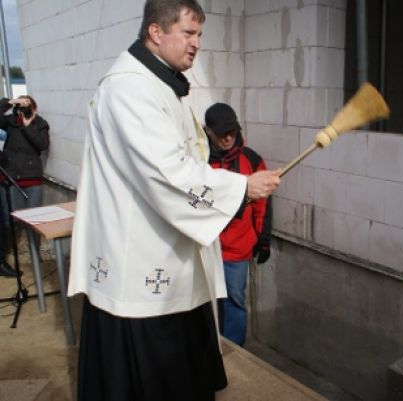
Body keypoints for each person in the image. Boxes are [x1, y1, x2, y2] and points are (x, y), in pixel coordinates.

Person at [66, 1, 280, 401]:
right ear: (155, 32)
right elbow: (165, 171)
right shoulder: (129, 88)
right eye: (188, 33)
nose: (197, 44)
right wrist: (241, 188)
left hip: (173, 251)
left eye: (200, 34)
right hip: (141, 261)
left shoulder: (162, 82)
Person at [204, 102, 272, 346]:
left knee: (234, 301)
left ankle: (235, 354)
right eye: (221, 133)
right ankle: (209, 349)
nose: (228, 138)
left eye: (232, 131)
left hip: (237, 251)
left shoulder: (252, 161)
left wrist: (263, 239)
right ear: (207, 131)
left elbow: (262, 204)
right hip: (204, 249)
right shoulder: (197, 164)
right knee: (205, 303)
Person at [0, 95, 49, 277]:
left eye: (27, 105)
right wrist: (9, 102)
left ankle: (36, 259)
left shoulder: (40, 123)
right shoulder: (10, 122)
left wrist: (28, 125)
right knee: (9, 222)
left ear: (34, 108)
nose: (23, 109)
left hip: (32, 180)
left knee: (34, 222)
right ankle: (2, 259)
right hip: (11, 179)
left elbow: (42, 144)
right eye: (21, 105)